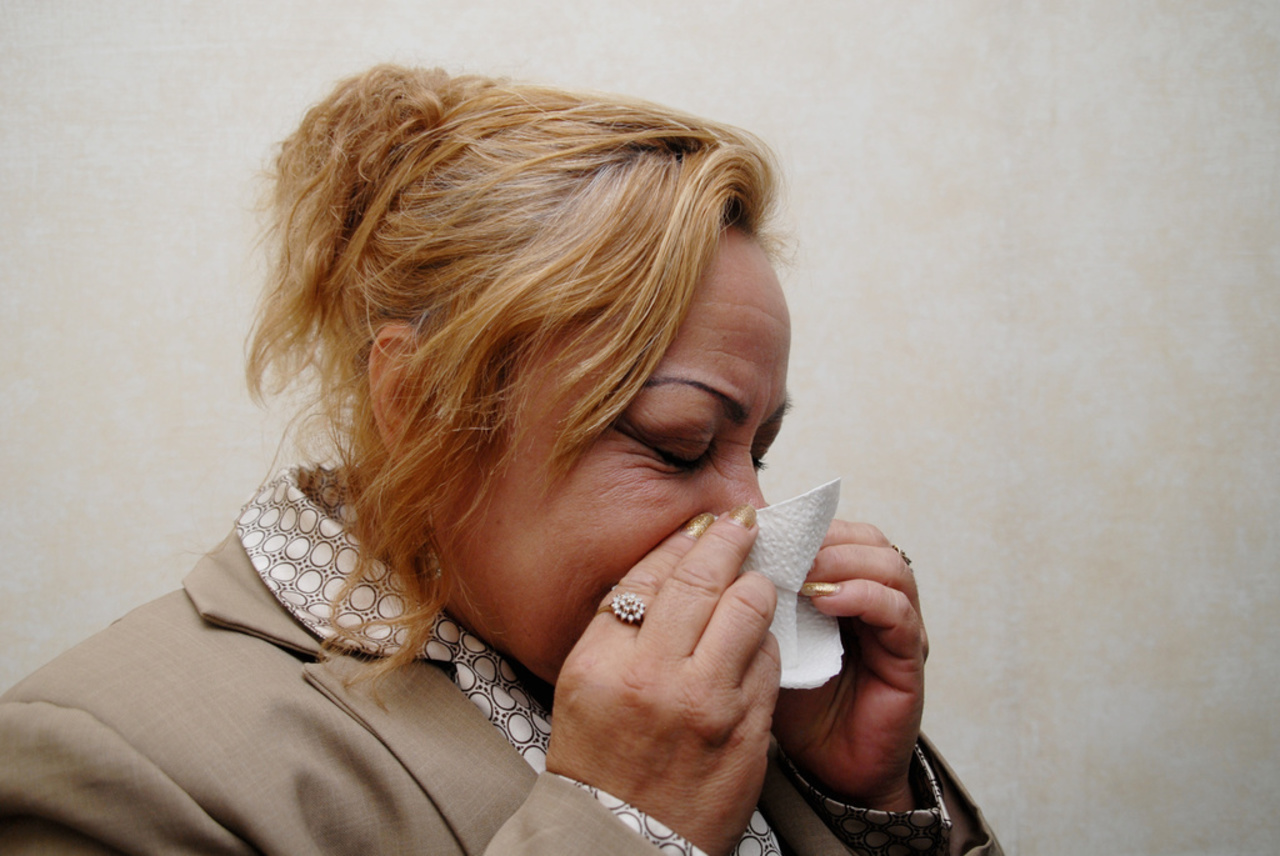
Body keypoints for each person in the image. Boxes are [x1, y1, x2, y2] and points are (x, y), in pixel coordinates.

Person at [0, 65, 1002, 855]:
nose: (748, 519)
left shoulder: (727, 700)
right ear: (420, 401)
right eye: (678, 443)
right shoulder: (114, 763)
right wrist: (624, 825)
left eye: (759, 452)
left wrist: (861, 802)